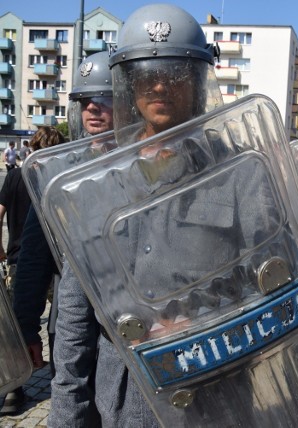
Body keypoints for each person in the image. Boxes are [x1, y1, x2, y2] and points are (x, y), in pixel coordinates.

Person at [48, 4, 223, 426]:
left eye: (176, 74)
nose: (160, 85)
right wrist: (67, 416)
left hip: (216, 396)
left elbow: (273, 288)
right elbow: (75, 317)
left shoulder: (237, 174)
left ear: (197, 82)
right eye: (147, 75)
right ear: (129, 84)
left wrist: (202, 318)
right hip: (125, 403)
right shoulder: (96, 184)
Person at [9, 51, 116, 416]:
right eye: (85, 101)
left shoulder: (145, 159)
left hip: (128, 322)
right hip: (70, 321)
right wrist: (26, 328)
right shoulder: (58, 171)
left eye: (104, 100)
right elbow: (34, 255)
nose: (92, 110)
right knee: (73, 407)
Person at [0, 126, 65, 415]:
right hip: (47, 263)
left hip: (18, 257)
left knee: (22, 322)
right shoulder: (53, 178)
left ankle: (15, 390)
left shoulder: (14, 176)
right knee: (57, 321)